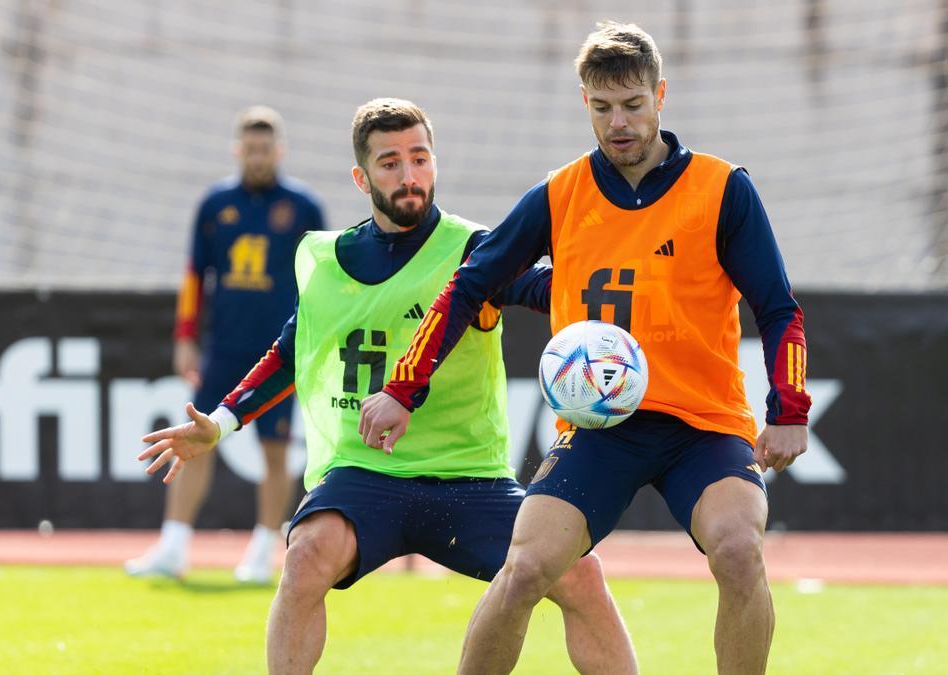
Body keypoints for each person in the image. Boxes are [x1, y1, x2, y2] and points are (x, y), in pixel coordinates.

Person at [359, 22, 812, 674]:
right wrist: (405, 387)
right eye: (602, 107)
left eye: (632, 104)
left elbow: (778, 307)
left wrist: (790, 409)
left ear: (660, 94)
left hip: (703, 425)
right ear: (585, 104)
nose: (618, 121)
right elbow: (470, 283)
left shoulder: (721, 188)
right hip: (598, 428)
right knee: (523, 570)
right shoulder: (560, 193)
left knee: (740, 550)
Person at [137, 99, 637, 674]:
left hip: (469, 477)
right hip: (363, 475)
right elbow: (291, 353)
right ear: (362, 177)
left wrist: (619, 277)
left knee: (581, 573)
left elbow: (549, 289)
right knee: (305, 556)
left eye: (420, 159)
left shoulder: (475, 248)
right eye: (391, 163)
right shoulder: (327, 260)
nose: (409, 176)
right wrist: (222, 423)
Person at [126, 106, 326, 583]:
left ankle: (262, 550)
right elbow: (195, 274)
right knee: (196, 437)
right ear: (238, 150)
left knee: (275, 449)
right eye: (250, 149)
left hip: (280, 347)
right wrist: (186, 338)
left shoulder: (304, 207)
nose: (258, 158)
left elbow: (320, 278)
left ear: (279, 151)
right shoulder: (215, 204)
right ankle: (174, 545)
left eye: (266, 149)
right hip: (225, 345)